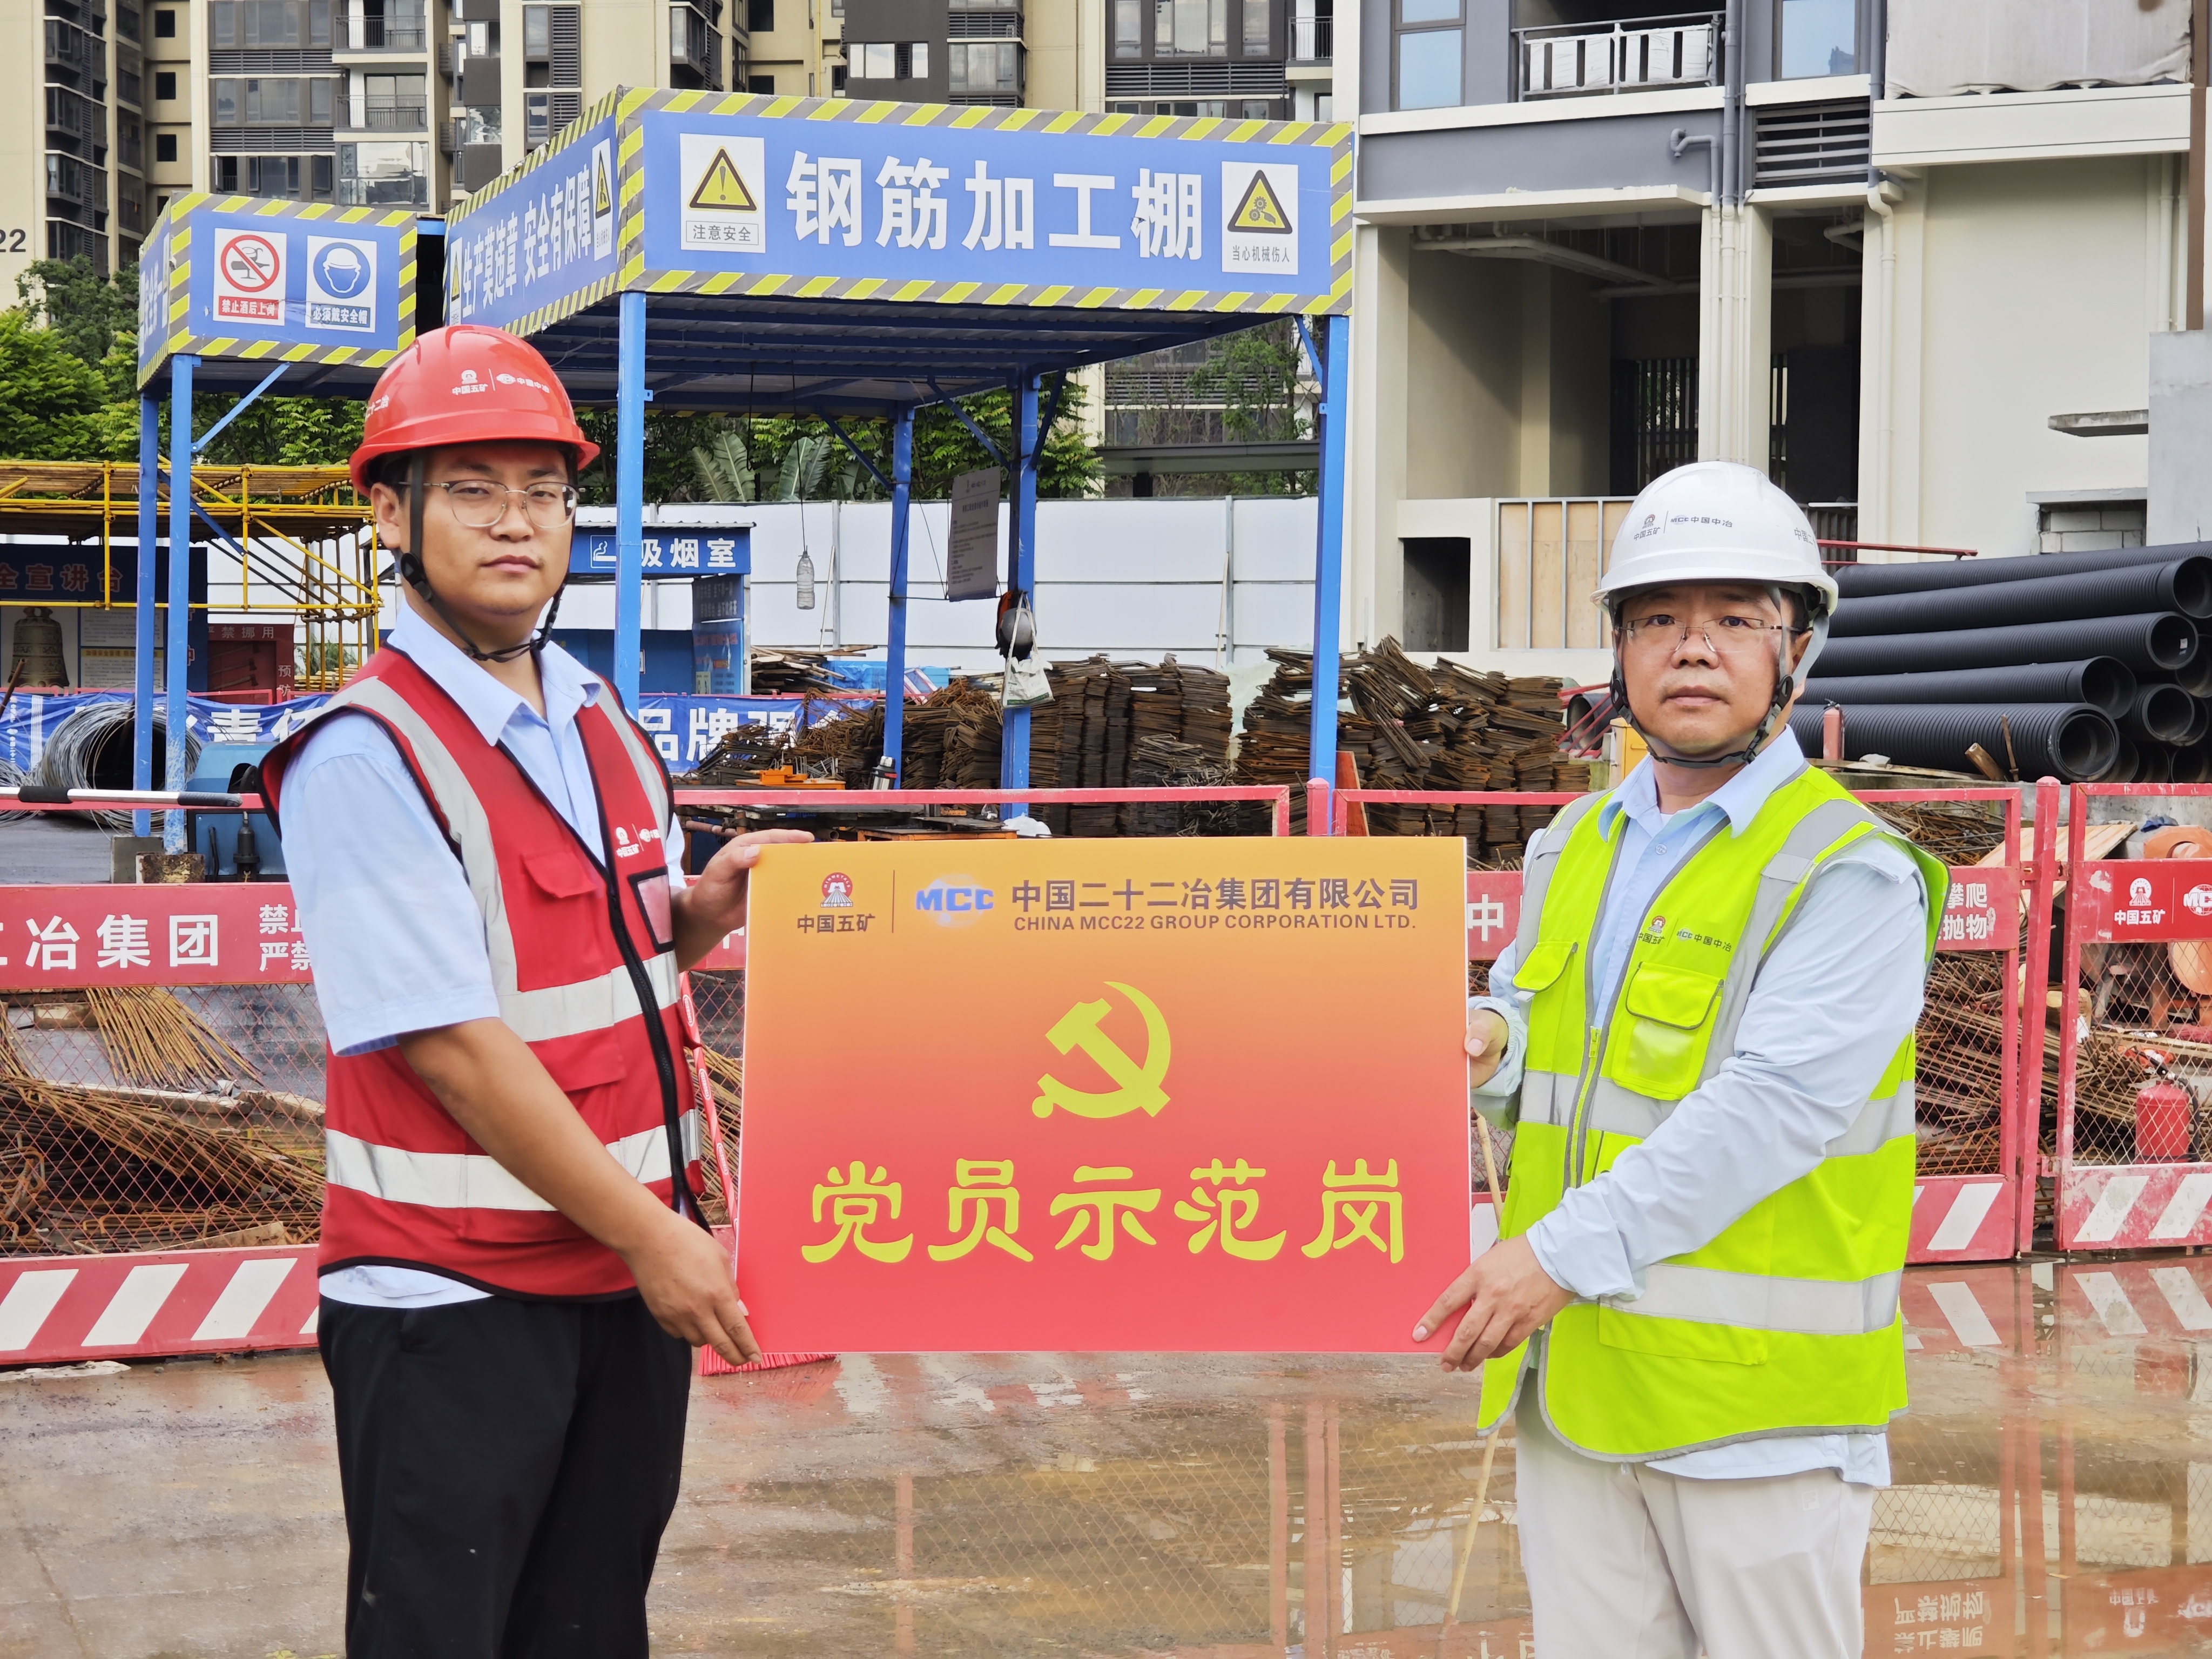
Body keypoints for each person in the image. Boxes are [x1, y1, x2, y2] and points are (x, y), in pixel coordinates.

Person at [260, 323, 808, 1658]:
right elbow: (451, 1045)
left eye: (545, 491)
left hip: (620, 1283)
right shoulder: (365, 751)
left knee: (588, 1626)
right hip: (456, 1300)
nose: (517, 522)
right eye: (471, 489)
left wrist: (699, 913)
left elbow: (591, 959)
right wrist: (655, 1240)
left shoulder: (595, 716)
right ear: (390, 514)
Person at [1414, 461, 1944, 1658]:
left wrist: (1550, 1257)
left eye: (1734, 620)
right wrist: (1489, 1044)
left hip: (1755, 1416)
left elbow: (1770, 1111)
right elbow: (1543, 1037)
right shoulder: (1576, 843)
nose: (1692, 648)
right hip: (1578, 1391)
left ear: (1795, 649)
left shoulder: (1845, 873)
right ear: (1618, 650)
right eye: (1657, 618)